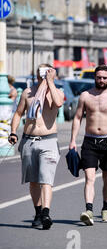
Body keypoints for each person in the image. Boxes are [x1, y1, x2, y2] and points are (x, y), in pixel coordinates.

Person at [8, 64, 65, 230]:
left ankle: (46, 212)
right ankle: (38, 212)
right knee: (33, 180)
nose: (43, 75)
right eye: (41, 72)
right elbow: (18, 113)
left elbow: (59, 103)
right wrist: (13, 132)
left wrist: (50, 82)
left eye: (47, 71)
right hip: (29, 140)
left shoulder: (56, 92)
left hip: (48, 141)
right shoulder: (28, 93)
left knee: (45, 179)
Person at [69, 65, 107, 225]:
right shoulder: (85, 96)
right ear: (95, 78)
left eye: (104, 78)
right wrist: (73, 140)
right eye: (99, 77)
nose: (101, 80)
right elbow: (77, 118)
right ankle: (89, 210)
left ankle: (106, 209)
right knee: (89, 177)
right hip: (90, 142)